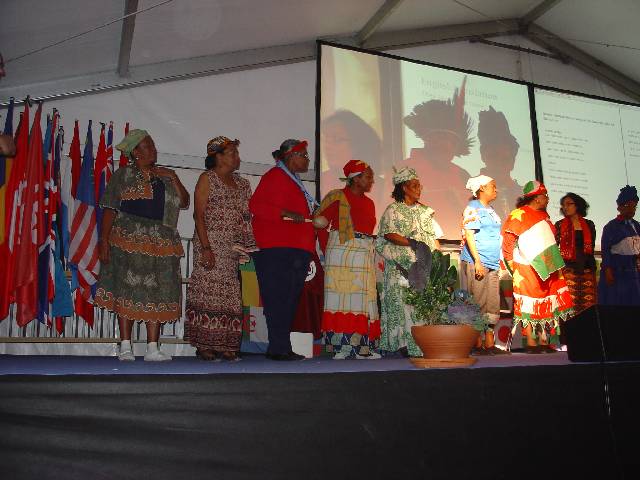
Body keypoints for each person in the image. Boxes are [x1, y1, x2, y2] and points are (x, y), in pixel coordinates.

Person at [95, 129, 190, 361]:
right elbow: (110, 208)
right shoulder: (123, 175)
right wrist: (103, 241)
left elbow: (185, 202)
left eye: (153, 146)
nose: (153, 150)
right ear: (135, 152)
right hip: (129, 238)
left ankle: (153, 348)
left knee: (157, 291)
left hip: (161, 240)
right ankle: (125, 346)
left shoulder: (165, 177)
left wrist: (173, 176)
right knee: (127, 288)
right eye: (147, 146)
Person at [185, 137, 256, 361]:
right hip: (210, 244)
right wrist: (206, 248)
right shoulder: (207, 179)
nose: (237, 157)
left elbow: (246, 217)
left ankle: (227, 344)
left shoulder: (243, 184)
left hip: (232, 248)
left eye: (237, 152)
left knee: (229, 295)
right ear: (218, 156)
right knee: (208, 294)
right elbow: (198, 216)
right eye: (232, 153)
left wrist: (245, 245)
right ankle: (204, 345)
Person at [249, 139, 318, 361]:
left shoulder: (294, 180)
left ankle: (281, 346)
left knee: (288, 300)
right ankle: (278, 348)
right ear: (290, 156)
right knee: (277, 299)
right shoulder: (274, 176)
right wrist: (285, 213)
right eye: (303, 155)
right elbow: (256, 205)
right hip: (276, 248)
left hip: (295, 249)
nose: (307, 159)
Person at [315, 159, 380, 359]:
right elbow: (319, 223)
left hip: (363, 254)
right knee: (340, 299)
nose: (372, 180)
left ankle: (362, 348)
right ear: (355, 178)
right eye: (368, 177)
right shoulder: (337, 196)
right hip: (341, 254)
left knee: (364, 300)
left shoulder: (370, 203)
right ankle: (341, 347)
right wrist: (327, 250)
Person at [375, 167, 444, 357]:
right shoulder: (393, 210)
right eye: (414, 186)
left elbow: (434, 238)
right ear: (404, 188)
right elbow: (389, 234)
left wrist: (438, 259)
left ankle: (419, 345)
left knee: (419, 306)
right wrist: (413, 243)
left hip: (423, 267)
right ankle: (401, 345)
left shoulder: (425, 211)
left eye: (419, 185)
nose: (419, 189)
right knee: (401, 305)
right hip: (400, 267)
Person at [501, 181, 573, 354]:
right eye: (545, 195)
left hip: (547, 266)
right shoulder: (518, 214)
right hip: (526, 266)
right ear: (536, 198)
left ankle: (544, 341)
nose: (548, 199)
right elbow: (508, 241)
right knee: (529, 303)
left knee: (546, 302)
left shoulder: (544, 216)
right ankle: (531, 342)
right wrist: (511, 264)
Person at [403, 77, 474, 239]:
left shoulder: (462, 175)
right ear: (427, 139)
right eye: (440, 138)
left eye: (452, 142)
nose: (446, 145)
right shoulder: (404, 170)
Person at [459, 175, 507, 355]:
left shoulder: (491, 210)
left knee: (492, 303)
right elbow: (469, 235)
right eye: (492, 186)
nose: (496, 189)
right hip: (478, 261)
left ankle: (489, 343)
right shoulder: (473, 208)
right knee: (478, 301)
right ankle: (476, 343)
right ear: (482, 188)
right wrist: (478, 261)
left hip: (492, 261)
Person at [554, 193, 597, 315]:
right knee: (569, 309)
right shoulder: (560, 225)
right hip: (568, 271)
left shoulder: (589, 224)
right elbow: (555, 249)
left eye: (569, 204)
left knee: (587, 309)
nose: (565, 207)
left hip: (587, 271)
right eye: (563, 205)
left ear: (577, 205)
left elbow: (591, 248)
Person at [477, 106, 522, 220]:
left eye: (505, 159)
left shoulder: (523, 194)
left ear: (513, 160)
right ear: (483, 155)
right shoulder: (472, 190)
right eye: (494, 157)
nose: (499, 164)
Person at [598, 185, 640, 305]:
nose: (631, 209)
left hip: (634, 273)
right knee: (618, 306)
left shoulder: (637, 226)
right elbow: (606, 250)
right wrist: (608, 270)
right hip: (618, 273)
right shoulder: (611, 226)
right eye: (628, 205)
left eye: (634, 206)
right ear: (619, 207)